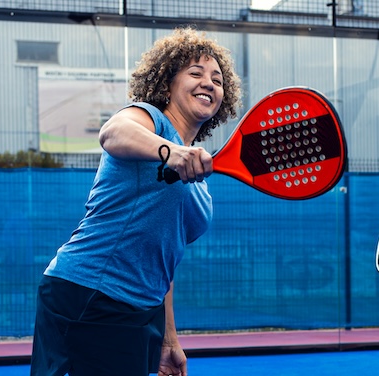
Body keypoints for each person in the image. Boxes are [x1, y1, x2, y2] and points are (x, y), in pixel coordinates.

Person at [30, 27, 242, 376]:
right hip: (88, 293)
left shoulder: (199, 182)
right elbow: (112, 133)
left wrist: (169, 339)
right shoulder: (149, 119)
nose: (208, 83)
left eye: (217, 79)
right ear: (167, 85)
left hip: (143, 311)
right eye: (195, 73)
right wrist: (172, 152)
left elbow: (163, 259)